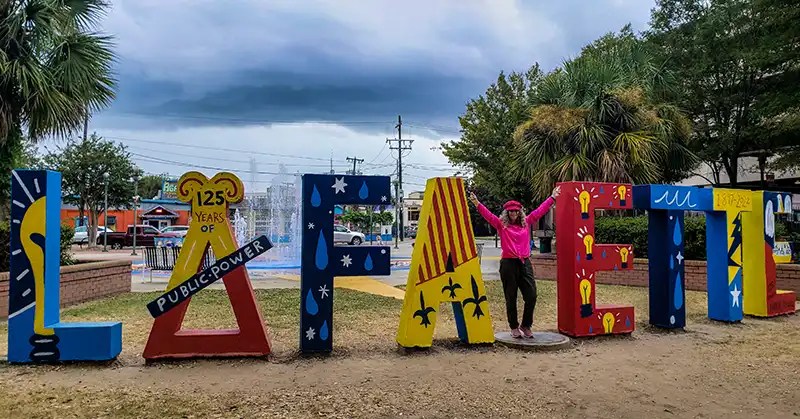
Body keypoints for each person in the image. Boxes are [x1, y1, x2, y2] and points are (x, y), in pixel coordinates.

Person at [469, 186, 561, 338]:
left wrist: (552, 198)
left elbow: (540, 211)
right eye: (511, 211)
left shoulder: (527, 222)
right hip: (508, 264)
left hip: (524, 263)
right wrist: (477, 203)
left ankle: (526, 325)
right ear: (507, 212)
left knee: (531, 295)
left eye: (516, 211)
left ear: (520, 212)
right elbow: (488, 215)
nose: (513, 213)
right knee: (510, 297)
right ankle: (513, 327)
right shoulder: (501, 225)